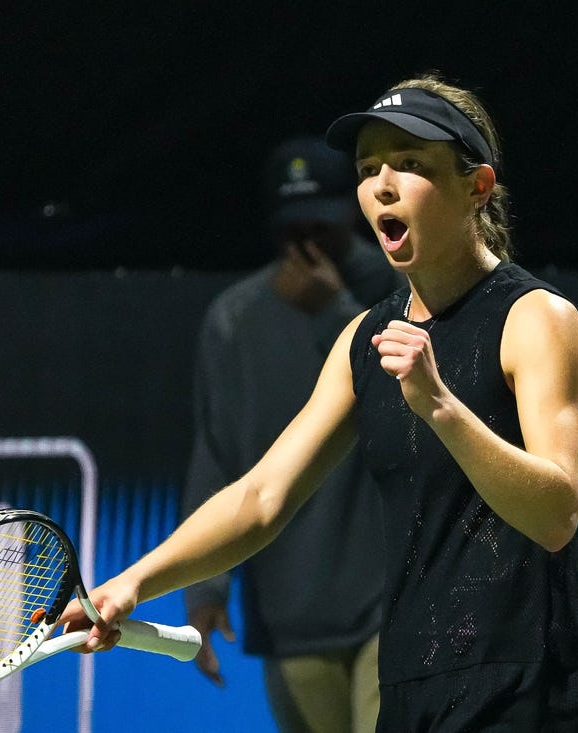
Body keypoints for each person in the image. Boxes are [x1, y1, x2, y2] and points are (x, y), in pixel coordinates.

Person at [62, 73, 578, 731]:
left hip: (523, 684)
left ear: (476, 185)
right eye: (368, 167)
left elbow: (555, 513)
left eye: (409, 165)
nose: (381, 184)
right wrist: (133, 582)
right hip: (410, 683)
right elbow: (261, 497)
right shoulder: (363, 339)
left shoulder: (536, 319)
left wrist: (440, 407)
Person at [181, 136, 396, 733]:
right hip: (291, 607)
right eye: (291, 228)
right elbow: (216, 460)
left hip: (396, 599)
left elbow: (419, 406)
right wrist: (206, 590)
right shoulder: (235, 318)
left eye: (320, 226)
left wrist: (338, 311)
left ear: (351, 213)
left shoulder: (403, 288)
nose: (306, 243)